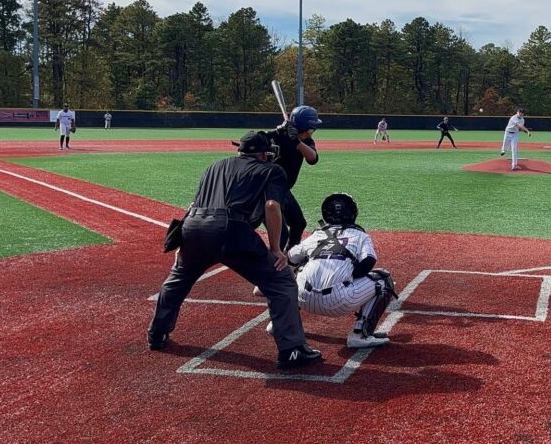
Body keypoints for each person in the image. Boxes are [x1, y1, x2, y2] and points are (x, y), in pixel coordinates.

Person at [147, 131, 322, 370]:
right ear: (263, 154)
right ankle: (292, 350)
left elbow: (194, 204)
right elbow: (272, 206)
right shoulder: (272, 170)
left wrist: (182, 243)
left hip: (194, 226)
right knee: (281, 283)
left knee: (178, 279)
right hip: (231, 229)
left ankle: (157, 334)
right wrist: (276, 249)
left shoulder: (214, 167)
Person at [286, 193, 399, 349]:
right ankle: (360, 334)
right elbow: (369, 260)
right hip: (339, 302)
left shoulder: (316, 234)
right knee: (384, 280)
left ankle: (283, 323)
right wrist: (351, 276)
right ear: (352, 213)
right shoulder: (360, 235)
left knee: (300, 268)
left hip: (303, 299)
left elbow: (290, 257)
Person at [267, 105, 321, 251]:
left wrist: (296, 141)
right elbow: (255, 140)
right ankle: (272, 261)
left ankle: (291, 254)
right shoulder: (279, 136)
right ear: (308, 127)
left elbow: (312, 158)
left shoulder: (307, 141)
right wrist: (276, 131)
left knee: (299, 224)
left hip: (283, 190)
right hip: (266, 190)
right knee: (281, 235)